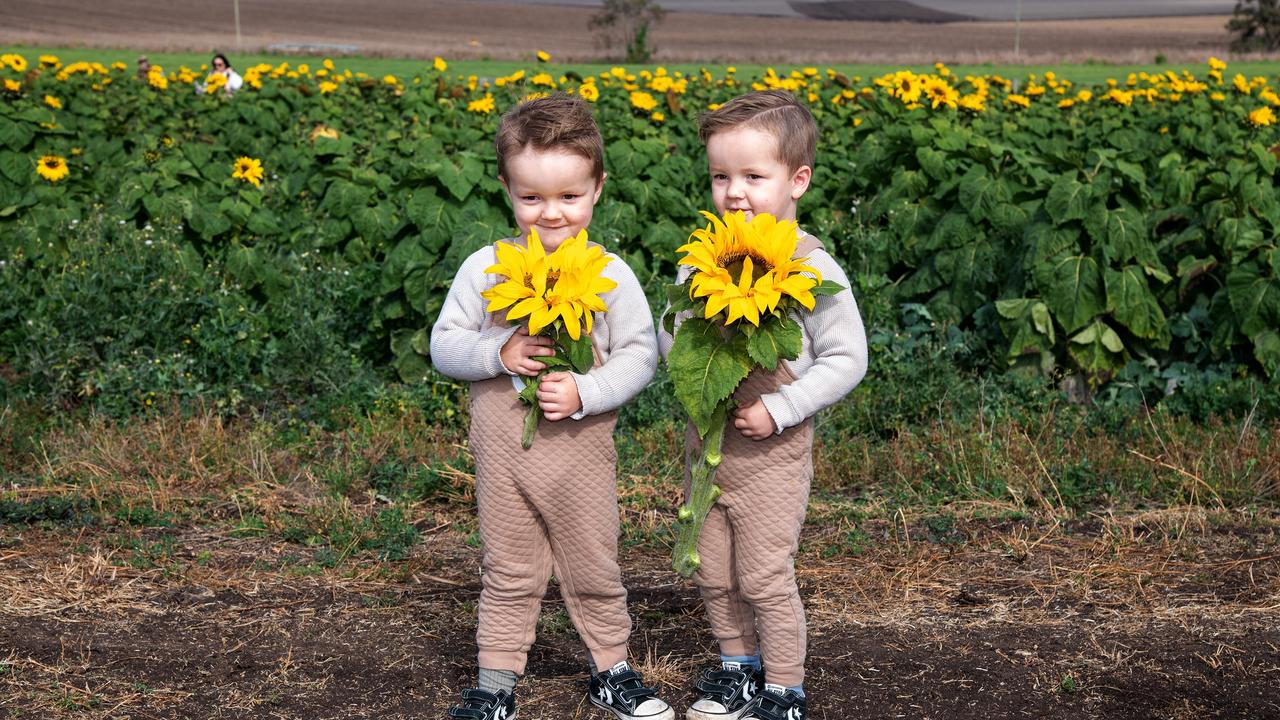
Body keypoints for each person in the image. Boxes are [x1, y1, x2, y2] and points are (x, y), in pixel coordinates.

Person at [430, 93, 672, 720]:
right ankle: (495, 682)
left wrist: (587, 391)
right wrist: (497, 353)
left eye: (569, 196)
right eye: (531, 197)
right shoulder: (485, 270)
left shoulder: (610, 274)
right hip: (503, 452)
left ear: (598, 189)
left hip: (580, 455)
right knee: (507, 567)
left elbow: (640, 356)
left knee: (594, 563)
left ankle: (612, 671)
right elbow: (443, 345)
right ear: (506, 189)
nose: (551, 214)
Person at [658, 90, 868, 720]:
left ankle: (784, 687)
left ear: (797, 180)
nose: (735, 192)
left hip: (773, 456)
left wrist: (783, 407)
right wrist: (690, 358)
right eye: (721, 176)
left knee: (765, 578)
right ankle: (736, 668)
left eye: (754, 176)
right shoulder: (709, 255)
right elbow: (676, 326)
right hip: (710, 451)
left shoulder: (811, 266)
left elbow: (847, 359)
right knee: (713, 572)